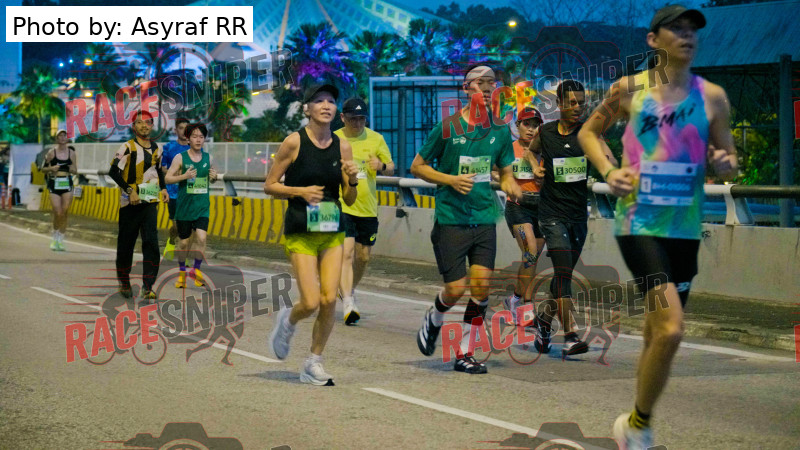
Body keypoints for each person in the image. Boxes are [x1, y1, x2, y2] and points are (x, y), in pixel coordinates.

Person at [577, 6, 738, 449]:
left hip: (684, 229)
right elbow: (589, 133)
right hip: (639, 223)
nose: (687, 37)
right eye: (677, 29)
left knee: (657, 333)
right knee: (671, 328)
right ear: (653, 40)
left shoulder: (713, 97)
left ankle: (633, 423)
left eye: (693, 31)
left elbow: (728, 158)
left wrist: (724, 162)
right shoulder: (629, 90)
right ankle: (642, 426)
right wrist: (610, 171)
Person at [412, 65, 522, 374]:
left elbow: (505, 171)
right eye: (480, 82)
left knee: (482, 289)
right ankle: (435, 316)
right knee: (456, 289)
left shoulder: (500, 130)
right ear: (465, 89)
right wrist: (450, 179)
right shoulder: (448, 127)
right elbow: (418, 166)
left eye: (492, 83)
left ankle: (465, 352)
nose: (487, 88)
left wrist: (511, 184)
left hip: (484, 218)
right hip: (451, 220)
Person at [265, 84, 359, 386]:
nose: (326, 105)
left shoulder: (343, 146)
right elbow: (270, 185)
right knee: (310, 302)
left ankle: (313, 362)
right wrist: (300, 192)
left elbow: (349, 198)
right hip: (301, 231)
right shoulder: (294, 142)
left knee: (329, 299)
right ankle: (288, 320)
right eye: (319, 101)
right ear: (307, 108)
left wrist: (353, 180)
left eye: (331, 101)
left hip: (332, 229)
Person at [525, 80, 617, 357]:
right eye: (572, 102)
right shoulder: (546, 131)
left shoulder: (589, 133)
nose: (578, 107)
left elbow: (610, 160)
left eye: (582, 103)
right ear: (560, 104)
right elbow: (531, 151)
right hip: (551, 214)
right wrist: (535, 168)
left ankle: (543, 321)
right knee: (564, 273)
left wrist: (605, 164)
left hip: (578, 216)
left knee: (561, 276)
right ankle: (570, 335)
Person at [335, 97, 395, 325]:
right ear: (343, 118)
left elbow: (391, 168)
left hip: (367, 207)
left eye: (362, 119)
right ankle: (349, 302)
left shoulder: (376, 138)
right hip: (342, 204)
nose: (358, 123)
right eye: (353, 119)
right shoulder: (334, 139)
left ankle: (348, 290)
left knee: (363, 257)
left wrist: (380, 166)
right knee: (347, 253)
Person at [108, 111, 169, 301]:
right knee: (126, 244)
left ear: (152, 126)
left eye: (147, 122)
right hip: (130, 203)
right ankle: (124, 281)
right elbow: (113, 171)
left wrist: (164, 189)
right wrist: (129, 191)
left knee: (152, 243)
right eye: (139, 122)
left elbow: (158, 171)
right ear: (134, 127)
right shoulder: (127, 147)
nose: (144, 126)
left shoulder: (157, 148)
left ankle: (148, 286)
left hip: (150, 200)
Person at [501, 107, 545, 327]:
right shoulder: (509, 149)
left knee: (532, 260)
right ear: (517, 126)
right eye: (526, 124)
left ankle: (515, 299)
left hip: (542, 208)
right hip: (518, 206)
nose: (531, 129)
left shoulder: (545, 151)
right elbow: (495, 170)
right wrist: (506, 180)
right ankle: (526, 306)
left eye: (536, 125)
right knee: (530, 251)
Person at [164, 123, 217, 289]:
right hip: (185, 207)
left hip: (202, 206)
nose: (198, 140)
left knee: (202, 238)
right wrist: (184, 176)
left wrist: (214, 178)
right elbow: (167, 179)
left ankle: (196, 270)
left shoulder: (209, 158)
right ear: (188, 139)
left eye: (201, 137)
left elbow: (211, 179)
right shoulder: (180, 158)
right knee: (184, 244)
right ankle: (181, 275)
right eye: (194, 136)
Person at [42, 129, 77, 251]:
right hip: (54, 183)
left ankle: (61, 239)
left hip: (66, 183)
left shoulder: (71, 153)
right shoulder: (51, 153)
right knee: (58, 212)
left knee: (65, 212)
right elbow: (43, 169)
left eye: (64, 135)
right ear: (57, 138)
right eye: (60, 136)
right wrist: (52, 168)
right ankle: (54, 237)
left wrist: (70, 169)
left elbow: (75, 170)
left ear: (67, 138)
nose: (62, 138)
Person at [161, 118, 191, 260]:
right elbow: (162, 168)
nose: (184, 131)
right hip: (173, 192)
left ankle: (184, 257)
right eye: (181, 128)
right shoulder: (169, 147)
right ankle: (171, 241)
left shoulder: (195, 148)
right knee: (176, 226)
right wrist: (175, 174)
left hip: (189, 192)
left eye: (187, 128)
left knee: (188, 228)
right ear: (176, 130)